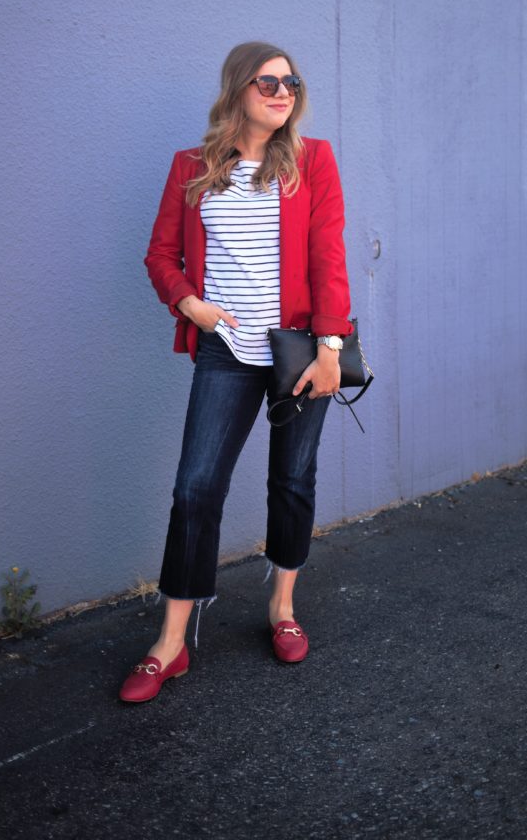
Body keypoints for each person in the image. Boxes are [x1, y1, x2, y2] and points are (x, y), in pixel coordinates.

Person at [119, 41, 353, 703]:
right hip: (225, 348)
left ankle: (281, 607)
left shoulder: (312, 161)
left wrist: (331, 349)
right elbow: (159, 255)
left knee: (291, 480)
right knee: (195, 488)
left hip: (302, 349)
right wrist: (188, 302)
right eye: (266, 81)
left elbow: (329, 255)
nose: (282, 91)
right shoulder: (192, 167)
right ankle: (171, 644)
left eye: (291, 81)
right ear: (236, 90)